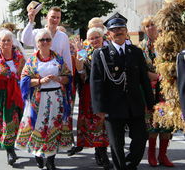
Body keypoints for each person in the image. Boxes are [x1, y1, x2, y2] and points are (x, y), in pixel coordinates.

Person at [90, 12, 154, 170]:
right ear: (108, 34)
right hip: (113, 107)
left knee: (141, 138)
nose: (118, 31)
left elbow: (144, 79)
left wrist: (150, 103)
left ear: (126, 31)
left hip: (135, 104)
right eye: (114, 29)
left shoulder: (136, 52)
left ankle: (130, 164)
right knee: (116, 145)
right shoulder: (101, 54)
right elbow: (96, 82)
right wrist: (99, 109)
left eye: (121, 28)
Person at [15, 29, 73, 170]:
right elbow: (24, 80)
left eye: (48, 39)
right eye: (42, 40)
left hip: (56, 98)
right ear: (37, 43)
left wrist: (59, 78)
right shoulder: (32, 60)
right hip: (38, 100)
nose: (45, 42)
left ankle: (51, 161)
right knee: (39, 127)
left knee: (54, 127)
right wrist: (40, 81)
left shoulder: (58, 58)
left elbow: (68, 76)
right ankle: (38, 154)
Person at [68, 27, 112, 170]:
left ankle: (102, 152)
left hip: (107, 92)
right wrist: (79, 55)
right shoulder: (85, 53)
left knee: (105, 124)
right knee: (94, 123)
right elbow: (80, 70)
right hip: (90, 92)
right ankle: (101, 154)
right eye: (91, 38)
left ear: (102, 37)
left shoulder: (109, 50)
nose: (94, 40)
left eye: (97, 37)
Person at [0, 29, 25, 166]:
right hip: (2, 95)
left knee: (21, 123)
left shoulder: (20, 57)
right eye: (3, 40)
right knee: (7, 123)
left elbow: (25, 75)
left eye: (8, 40)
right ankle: (10, 151)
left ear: (12, 42)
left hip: (19, 94)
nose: (6, 42)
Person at [139, 16, 174, 167]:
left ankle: (163, 155)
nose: (151, 28)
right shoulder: (141, 48)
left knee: (166, 121)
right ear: (144, 29)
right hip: (150, 91)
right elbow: (141, 71)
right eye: (147, 26)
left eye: (153, 25)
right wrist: (159, 76)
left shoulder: (166, 45)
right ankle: (151, 155)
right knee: (153, 122)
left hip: (167, 90)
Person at [22, 6, 72, 71]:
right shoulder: (38, 33)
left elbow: (67, 57)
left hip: (56, 73)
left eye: (58, 18)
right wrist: (31, 22)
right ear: (46, 17)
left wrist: (69, 76)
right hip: (39, 71)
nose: (55, 20)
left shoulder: (63, 36)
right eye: (53, 17)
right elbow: (25, 40)